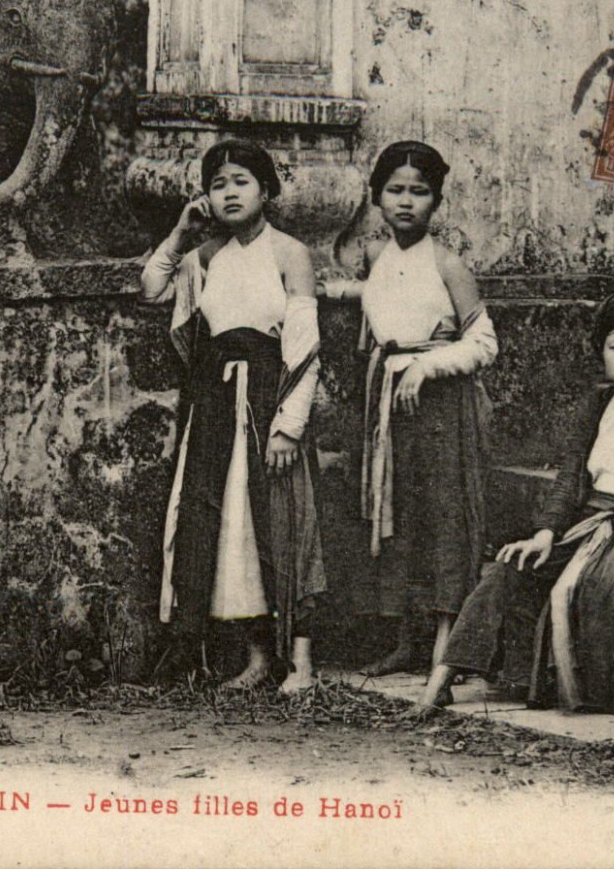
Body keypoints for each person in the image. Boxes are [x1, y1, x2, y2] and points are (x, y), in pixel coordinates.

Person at [411, 290, 614, 714]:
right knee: (512, 566)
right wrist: (545, 533)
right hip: (589, 521)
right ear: (601, 353)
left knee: (596, 586)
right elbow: (569, 480)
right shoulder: (597, 405)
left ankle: (571, 687)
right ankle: (441, 678)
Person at [140, 139, 326, 693]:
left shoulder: (289, 253)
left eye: (241, 181)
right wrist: (179, 234)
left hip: (270, 402)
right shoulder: (205, 258)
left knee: (283, 522)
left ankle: (302, 662)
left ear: (266, 190)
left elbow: (305, 345)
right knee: (228, 531)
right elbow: (152, 289)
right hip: (217, 405)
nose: (229, 193)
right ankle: (254, 658)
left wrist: (288, 426)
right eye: (218, 185)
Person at [325, 141, 497, 676]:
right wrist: (326, 292)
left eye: (419, 192)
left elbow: (485, 341)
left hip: (441, 406)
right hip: (387, 405)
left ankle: (448, 643)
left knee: (442, 519)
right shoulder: (377, 256)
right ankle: (405, 639)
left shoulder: (449, 264)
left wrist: (429, 366)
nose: (406, 202)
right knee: (393, 518)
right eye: (395, 191)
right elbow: (386, 297)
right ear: (377, 198)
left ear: (435, 201)